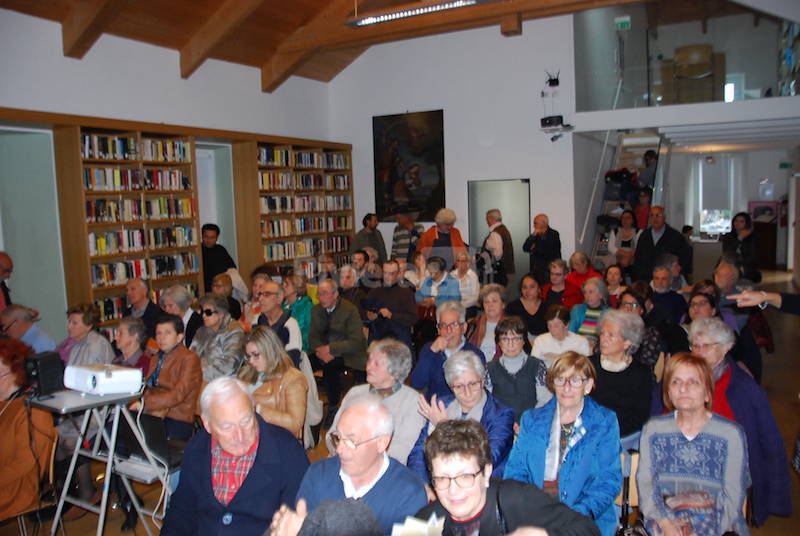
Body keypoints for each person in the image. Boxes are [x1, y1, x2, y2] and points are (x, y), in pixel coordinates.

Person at [649, 317, 791, 527]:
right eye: (693, 345)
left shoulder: (745, 388)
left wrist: (776, 494)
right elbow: (657, 415)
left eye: (705, 346)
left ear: (726, 348)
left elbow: (770, 441)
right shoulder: (678, 377)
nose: (697, 352)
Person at [162, 377, 309, 536]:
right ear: (207, 423)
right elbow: (182, 513)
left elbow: (298, 521)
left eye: (246, 421)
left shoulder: (287, 451)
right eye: (227, 427)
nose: (240, 436)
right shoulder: (198, 448)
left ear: (253, 408)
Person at [503, 352, 622, 536]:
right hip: (536, 512)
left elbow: (608, 481)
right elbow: (516, 471)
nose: (566, 387)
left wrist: (575, 515)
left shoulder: (604, 421)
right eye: (560, 379)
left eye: (575, 381)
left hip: (585, 516)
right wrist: (529, 509)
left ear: (588, 386)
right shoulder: (532, 419)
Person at [415, 419, 601, 536]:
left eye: (465, 476)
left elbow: (588, 529)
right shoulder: (425, 522)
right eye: (442, 479)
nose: (453, 490)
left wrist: (544, 534)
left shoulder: (516, 498)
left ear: (487, 473)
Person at [638, 353, 750, 536]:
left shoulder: (730, 434)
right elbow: (647, 486)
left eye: (693, 382)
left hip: (718, 522)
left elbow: (733, 496)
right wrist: (666, 524)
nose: (683, 388)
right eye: (676, 382)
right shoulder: (654, 430)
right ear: (668, 393)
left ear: (707, 393)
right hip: (664, 517)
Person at [294, 394, 428, 534]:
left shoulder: (410, 492)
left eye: (352, 441)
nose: (339, 449)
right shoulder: (318, 473)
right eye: (338, 438)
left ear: (381, 443)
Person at [408, 350, 514, 480]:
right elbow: (418, 452)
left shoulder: (501, 414)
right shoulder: (443, 405)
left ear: (483, 380)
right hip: (438, 480)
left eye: (473, 384)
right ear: (450, 386)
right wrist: (423, 485)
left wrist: (444, 427)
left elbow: (485, 459)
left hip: (482, 484)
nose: (467, 392)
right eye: (459, 386)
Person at [326, 339, 424, 464]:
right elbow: (332, 435)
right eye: (369, 360)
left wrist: (358, 455)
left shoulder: (412, 402)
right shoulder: (355, 393)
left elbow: (402, 451)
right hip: (343, 461)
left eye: (376, 363)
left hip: (385, 472)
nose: (368, 366)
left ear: (395, 372)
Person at [0, 338, 57, 521]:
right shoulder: (3, 404)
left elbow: (26, 463)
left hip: (16, 488)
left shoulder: (32, 410)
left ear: (15, 373)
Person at [588, 309, 652, 457]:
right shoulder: (588, 365)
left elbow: (640, 417)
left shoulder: (641, 373)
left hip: (622, 438)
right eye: (602, 333)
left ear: (627, 342)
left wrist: (607, 433)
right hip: (588, 434)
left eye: (610, 335)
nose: (603, 339)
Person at [308, 279, 367, 427]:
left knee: (330, 368)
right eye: (319, 294)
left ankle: (333, 406)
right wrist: (320, 350)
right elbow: (313, 336)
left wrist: (330, 349)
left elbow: (356, 342)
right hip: (322, 352)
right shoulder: (316, 310)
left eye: (325, 294)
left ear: (336, 294)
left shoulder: (350, 310)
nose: (321, 298)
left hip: (347, 354)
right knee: (304, 363)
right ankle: (310, 404)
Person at [138, 314, 202, 441]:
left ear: (179, 337)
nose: (161, 338)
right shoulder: (156, 358)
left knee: (141, 437)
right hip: (153, 411)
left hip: (177, 415)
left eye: (167, 333)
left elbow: (177, 395)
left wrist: (143, 403)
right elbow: (147, 387)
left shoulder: (189, 359)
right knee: (120, 429)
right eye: (158, 333)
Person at [239, 326, 307, 440]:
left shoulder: (292, 378)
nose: (250, 361)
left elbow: (295, 423)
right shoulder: (246, 374)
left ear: (269, 351)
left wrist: (257, 409)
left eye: (256, 355)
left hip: (274, 439)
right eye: (248, 356)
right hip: (246, 433)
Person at [411, 301, 485, 401]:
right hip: (436, 409)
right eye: (443, 325)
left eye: (454, 324)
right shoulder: (430, 349)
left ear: (464, 328)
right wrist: (431, 352)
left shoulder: (475, 354)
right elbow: (416, 383)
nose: (448, 330)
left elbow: (478, 393)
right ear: (438, 329)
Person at [487, 316, 551, 421]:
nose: (510, 344)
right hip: (500, 424)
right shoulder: (489, 369)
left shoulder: (537, 366)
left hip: (532, 423)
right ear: (498, 342)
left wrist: (527, 422)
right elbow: (488, 404)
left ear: (524, 341)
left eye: (516, 339)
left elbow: (545, 400)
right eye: (505, 339)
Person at [363, 260, 418, 348]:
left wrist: (392, 315)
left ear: (398, 274)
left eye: (391, 274)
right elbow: (363, 309)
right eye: (385, 273)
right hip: (378, 336)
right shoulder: (375, 289)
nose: (387, 277)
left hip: (398, 337)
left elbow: (413, 318)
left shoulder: (406, 292)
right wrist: (368, 315)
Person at [190, 294, 245, 382]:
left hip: (225, 382)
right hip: (198, 380)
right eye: (202, 312)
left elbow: (230, 366)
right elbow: (191, 357)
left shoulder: (234, 331)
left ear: (221, 314)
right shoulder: (201, 331)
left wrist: (200, 371)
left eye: (208, 312)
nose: (203, 315)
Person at [633, 205, 692, 283]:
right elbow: (638, 259)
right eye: (652, 215)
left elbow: (685, 259)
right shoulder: (644, 236)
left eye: (658, 215)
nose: (655, 218)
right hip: (646, 280)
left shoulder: (676, 236)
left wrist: (677, 273)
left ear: (664, 217)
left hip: (669, 280)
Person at [257, 280, 303, 365]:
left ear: (279, 298)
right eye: (259, 294)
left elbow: (293, 360)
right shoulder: (257, 321)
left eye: (266, 295)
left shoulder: (290, 324)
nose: (260, 299)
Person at [617, 289, 663, 373]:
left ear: (641, 310)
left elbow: (646, 362)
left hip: (639, 377)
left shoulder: (650, 333)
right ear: (619, 309)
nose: (629, 308)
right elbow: (598, 351)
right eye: (625, 304)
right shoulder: (611, 330)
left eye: (634, 305)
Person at [467, 283, 506, 360]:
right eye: (486, 302)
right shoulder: (473, 325)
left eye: (494, 301)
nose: (490, 305)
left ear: (503, 304)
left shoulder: (512, 326)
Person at [568, 277, 609, 349]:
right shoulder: (577, 309)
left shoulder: (609, 313)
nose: (587, 295)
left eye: (591, 292)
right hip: (577, 347)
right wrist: (583, 339)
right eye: (585, 292)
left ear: (601, 295)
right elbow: (569, 333)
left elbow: (607, 337)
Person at [478, 209, 514, 287]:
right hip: (505, 270)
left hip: (496, 273)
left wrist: (483, 255)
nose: (487, 222)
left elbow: (497, 254)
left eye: (487, 219)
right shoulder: (504, 230)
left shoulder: (495, 233)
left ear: (491, 219)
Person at [522, 214, 561, 285]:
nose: (534, 225)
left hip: (549, 270)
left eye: (535, 223)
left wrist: (534, 248)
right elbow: (525, 248)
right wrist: (533, 236)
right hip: (535, 269)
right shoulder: (535, 234)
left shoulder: (554, 234)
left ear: (544, 223)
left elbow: (547, 251)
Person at [504, 273, 547, 338]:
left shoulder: (547, 307)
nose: (527, 291)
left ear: (539, 289)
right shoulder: (512, 307)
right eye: (524, 287)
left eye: (532, 287)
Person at [722, 211, 760, 282]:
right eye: (736, 221)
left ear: (747, 224)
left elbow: (752, 257)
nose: (737, 223)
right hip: (730, 263)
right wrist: (740, 238)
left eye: (741, 221)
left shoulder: (753, 237)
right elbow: (727, 253)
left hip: (746, 266)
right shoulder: (728, 236)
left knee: (750, 275)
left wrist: (740, 266)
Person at [200, 222, 236, 292]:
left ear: (217, 238)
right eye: (206, 237)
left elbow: (232, 267)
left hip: (222, 287)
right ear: (202, 236)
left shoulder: (221, 249)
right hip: (205, 288)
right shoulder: (198, 250)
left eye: (212, 237)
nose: (208, 240)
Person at [282, 274, 313, 353]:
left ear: (296, 288)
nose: (283, 286)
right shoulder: (282, 307)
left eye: (287, 284)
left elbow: (309, 331)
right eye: (283, 284)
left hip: (302, 349)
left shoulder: (306, 305)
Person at [450, 250, 480, 318]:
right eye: (458, 260)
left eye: (463, 261)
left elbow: (474, 298)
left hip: (468, 307)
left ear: (468, 263)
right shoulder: (452, 275)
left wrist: (460, 305)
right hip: (453, 306)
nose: (460, 263)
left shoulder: (472, 276)